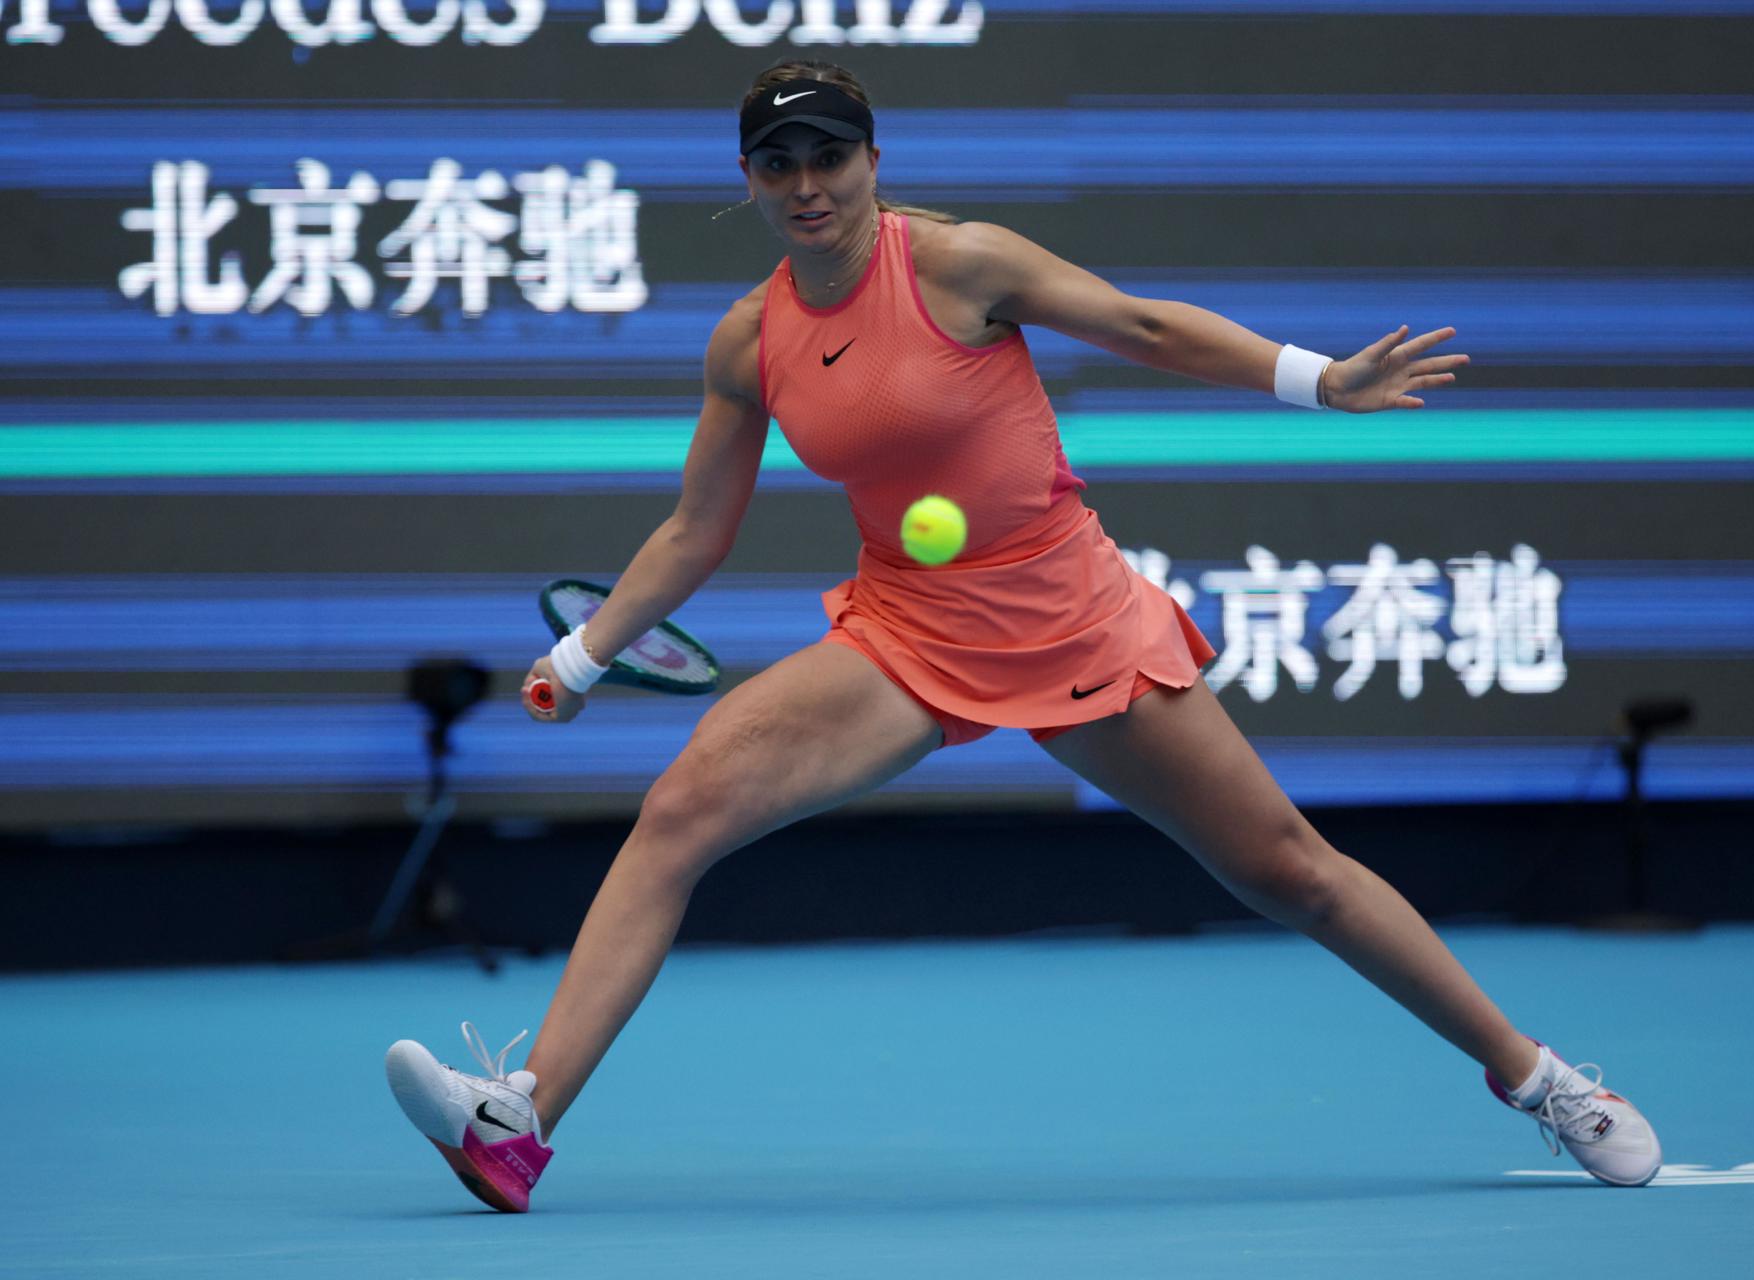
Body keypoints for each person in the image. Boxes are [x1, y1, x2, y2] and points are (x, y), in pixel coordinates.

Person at [384, 60, 1662, 1213]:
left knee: (1290, 871)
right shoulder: (749, 341)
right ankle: (520, 1118)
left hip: (1070, 613)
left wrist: (1317, 378)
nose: (807, 184)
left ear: (873, 161)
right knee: (682, 809)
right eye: (780, 164)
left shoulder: (962, 263)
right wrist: (582, 656)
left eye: (830, 156)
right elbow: (696, 527)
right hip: (904, 628)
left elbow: (1144, 324)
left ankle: (1538, 1077)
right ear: (749, 183)